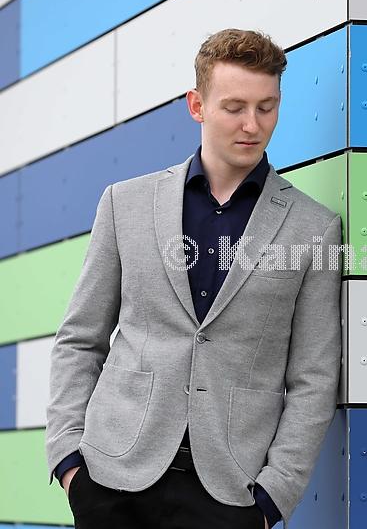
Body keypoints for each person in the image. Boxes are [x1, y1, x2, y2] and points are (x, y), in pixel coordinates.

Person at [44, 28, 343, 529]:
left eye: (267, 107)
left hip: (230, 496)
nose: (252, 125)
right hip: (111, 483)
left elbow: (314, 377)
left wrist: (273, 498)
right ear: (197, 105)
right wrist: (68, 460)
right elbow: (80, 339)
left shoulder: (314, 228)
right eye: (234, 107)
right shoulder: (125, 204)